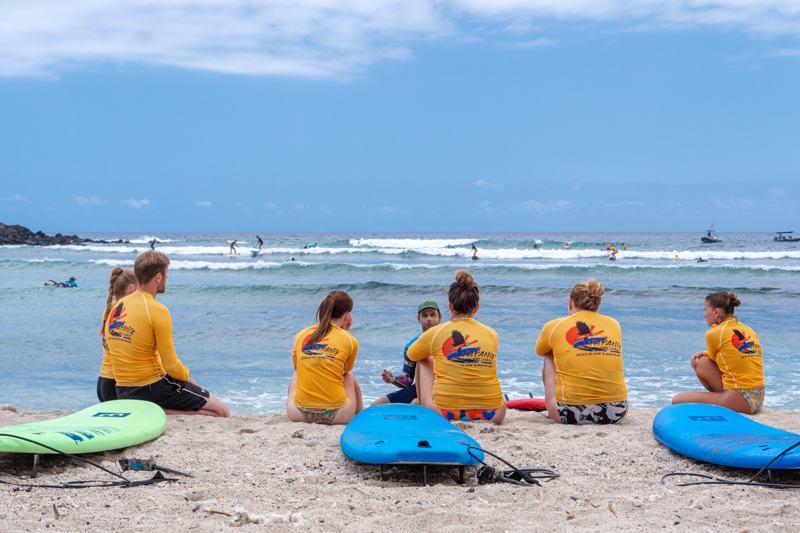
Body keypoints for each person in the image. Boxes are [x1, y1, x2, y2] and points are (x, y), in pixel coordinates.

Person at [106, 251, 230, 417]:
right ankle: (162, 411)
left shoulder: (117, 307)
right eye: (166, 274)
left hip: (122, 391)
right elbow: (171, 365)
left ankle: (157, 409)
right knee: (222, 412)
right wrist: (190, 380)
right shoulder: (158, 310)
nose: (167, 278)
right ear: (158, 277)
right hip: (152, 388)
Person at [407, 271, 506, 424]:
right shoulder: (491, 333)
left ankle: (424, 405)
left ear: (450, 307)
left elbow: (411, 354)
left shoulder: (436, 332)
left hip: (446, 414)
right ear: (477, 308)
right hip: (494, 413)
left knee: (423, 357)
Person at [535, 280, 628, 425]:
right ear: (598, 306)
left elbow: (540, 351)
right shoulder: (614, 324)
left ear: (570, 303)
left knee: (549, 353)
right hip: (617, 412)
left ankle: (556, 405)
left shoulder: (554, 325)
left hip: (568, 414)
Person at [672, 291, 764, 414]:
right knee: (701, 361)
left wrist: (713, 332)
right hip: (758, 397)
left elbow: (716, 362)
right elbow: (729, 357)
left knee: (677, 400)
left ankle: (723, 401)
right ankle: (721, 399)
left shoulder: (714, 333)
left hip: (741, 398)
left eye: (705, 310)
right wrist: (705, 353)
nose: (704, 315)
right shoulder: (747, 329)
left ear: (716, 312)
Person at [287, 291, 363, 424]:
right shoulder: (349, 340)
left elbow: (296, 365)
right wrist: (344, 333)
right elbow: (344, 370)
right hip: (338, 415)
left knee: (297, 373)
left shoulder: (301, 335)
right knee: (349, 376)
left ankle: (306, 403)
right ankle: (361, 414)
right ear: (347, 316)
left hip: (298, 413)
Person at [370, 301, 443, 407]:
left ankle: (420, 403)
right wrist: (393, 379)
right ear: (418, 318)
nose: (429, 319)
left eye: (433, 315)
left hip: (444, 387)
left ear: (440, 317)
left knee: (416, 403)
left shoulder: (447, 340)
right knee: (375, 405)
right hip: (420, 388)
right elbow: (408, 379)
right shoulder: (412, 345)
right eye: (425, 315)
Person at [97, 267, 138, 402]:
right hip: (118, 383)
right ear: (132, 289)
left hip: (103, 381)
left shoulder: (109, 309)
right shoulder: (129, 312)